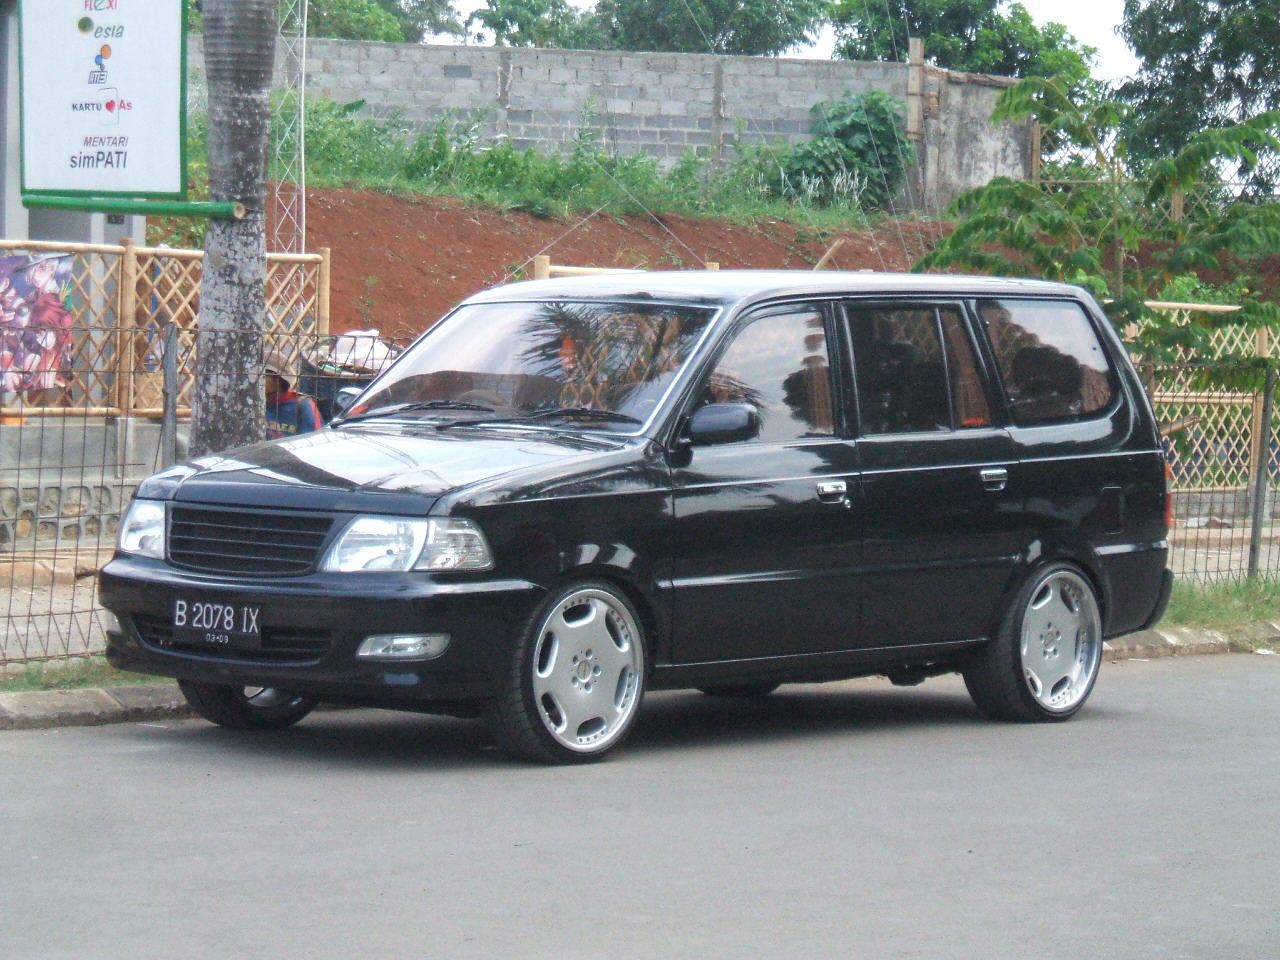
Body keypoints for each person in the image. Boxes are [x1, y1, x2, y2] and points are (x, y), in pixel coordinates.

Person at [264, 348, 323, 439]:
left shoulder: (302, 405)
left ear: (281, 382)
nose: (267, 400)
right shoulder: (253, 405)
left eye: (272, 395)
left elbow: (315, 440)